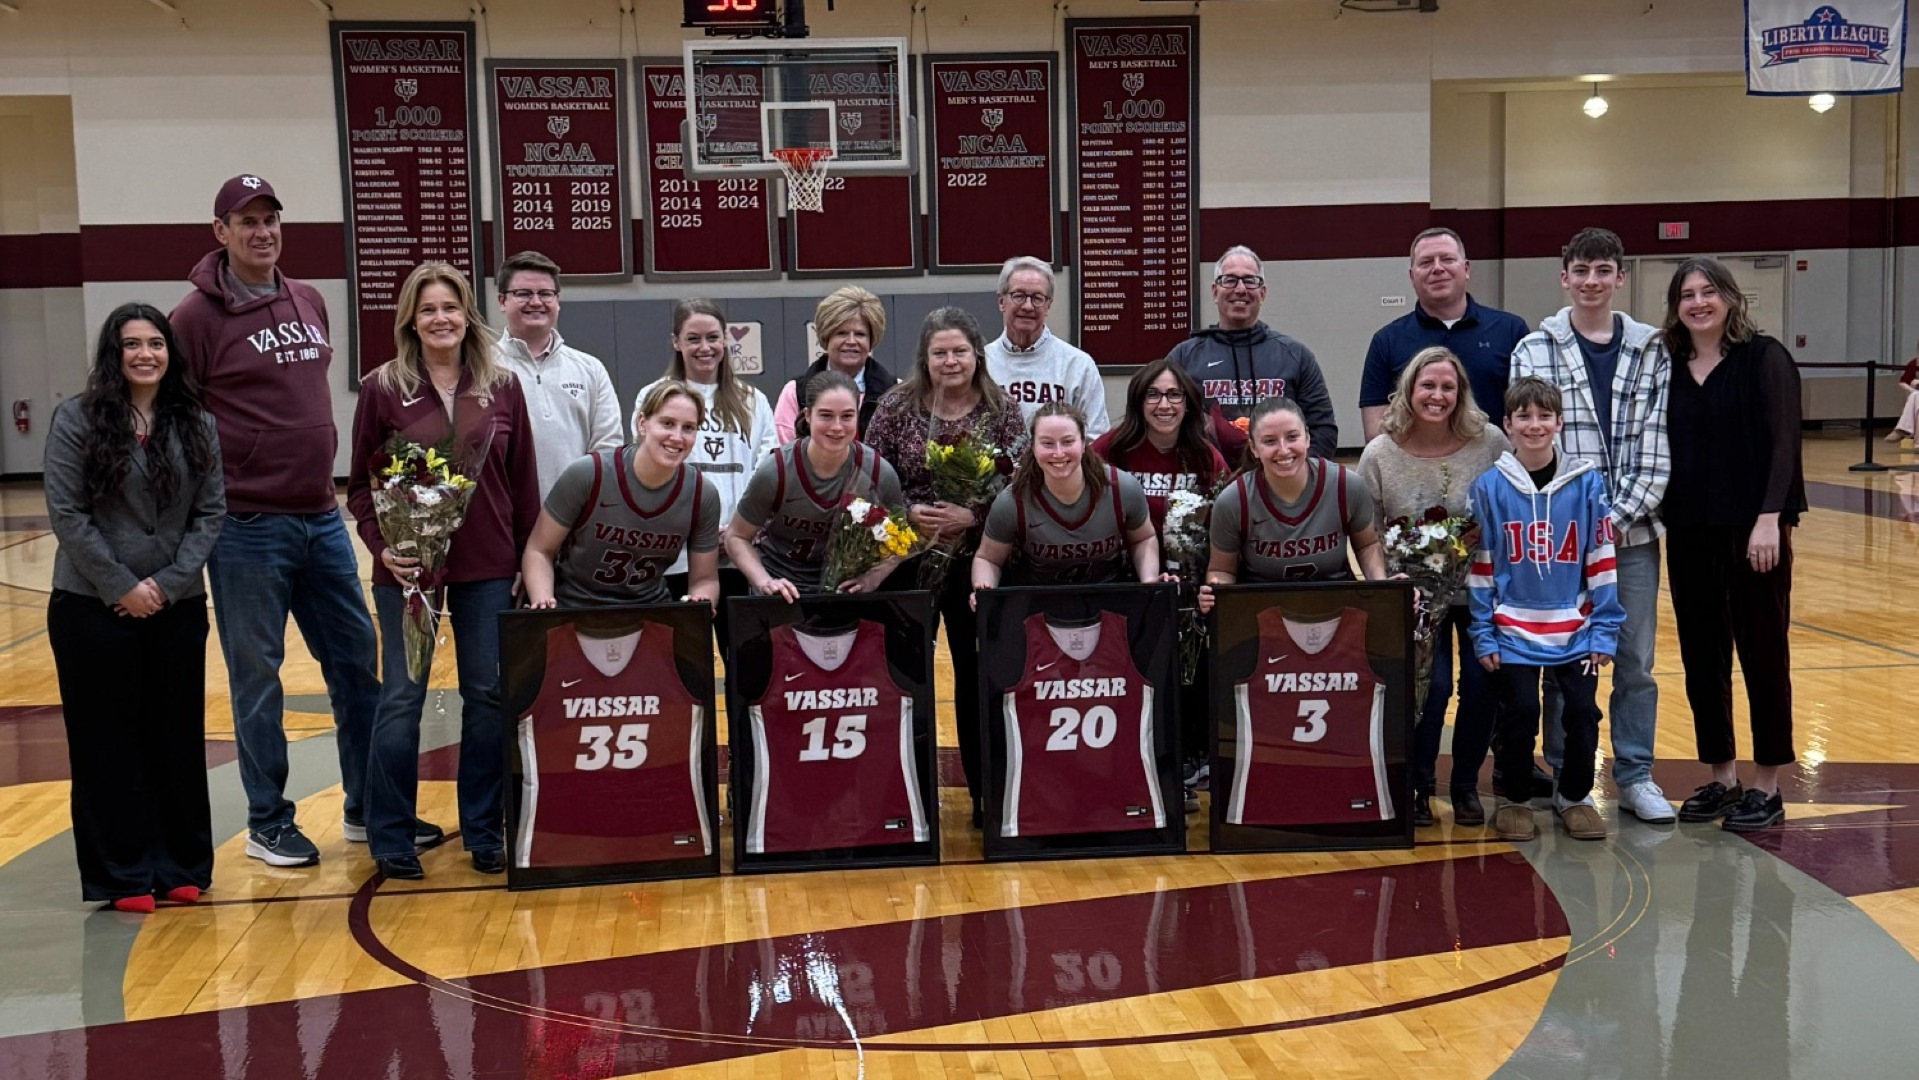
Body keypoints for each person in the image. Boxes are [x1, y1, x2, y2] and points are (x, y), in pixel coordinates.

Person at [169, 174, 385, 869]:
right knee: (257, 680)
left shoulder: (308, 298)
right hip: (245, 527)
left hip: (320, 517)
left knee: (355, 666)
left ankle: (365, 806)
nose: (263, 231)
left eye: (271, 219)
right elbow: (178, 419)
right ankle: (267, 821)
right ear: (221, 231)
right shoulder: (194, 320)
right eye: (248, 220)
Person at [346, 262, 539, 880]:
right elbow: (358, 488)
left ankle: (484, 829)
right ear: (411, 319)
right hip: (410, 571)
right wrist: (382, 548)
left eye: (450, 308)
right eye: (427, 309)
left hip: (488, 566)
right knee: (402, 698)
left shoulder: (502, 386)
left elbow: (525, 481)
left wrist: (528, 560)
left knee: (486, 694)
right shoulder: (382, 387)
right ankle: (392, 834)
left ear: (467, 315)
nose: (440, 319)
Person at [43, 303, 224, 912]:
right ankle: (121, 874)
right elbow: (68, 513)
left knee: (174, 737)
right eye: (132, 344)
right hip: (91, 604)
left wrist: (168, 585)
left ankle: (179, 864)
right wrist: (121, 585)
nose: (145, 354)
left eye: (156, 343)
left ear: (170, 352)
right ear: (112, 354)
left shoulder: (196, 422)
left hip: (175, 605)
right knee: (106, 741)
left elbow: (210, 513)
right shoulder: (76, 419)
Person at [1509, 226, 1674, 824]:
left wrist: (1609, 524)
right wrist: (1574, 526)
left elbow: (1657, 450)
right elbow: (1534, 440)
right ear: (1564, 277)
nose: (1591, 282)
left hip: (1629, 539)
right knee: (1563, 660)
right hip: (1558, 543)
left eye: (1603, 271)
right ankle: (1565, 773)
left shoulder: (1653, 349)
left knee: (1634, 662)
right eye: (1581, 271)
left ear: (1619, 278)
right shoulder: (1534, 347)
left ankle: (1634, 773)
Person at [1660, 258, 1806, 832]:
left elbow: (1784, 443)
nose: (1698, 302)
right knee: (1702, 653)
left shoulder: (1764, 358)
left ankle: (1767, 784)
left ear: (1729, 297)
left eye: (1707, 292)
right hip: (1690, 527)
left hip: (1754, 530)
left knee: (1763, 651)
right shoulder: (1669, 365)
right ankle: (1722, 776)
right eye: (1686, 294)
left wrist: (1771, 517)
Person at [865, 307, 1026, 823]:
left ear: (976, 354)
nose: (950, 361)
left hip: (976, 559)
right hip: (907, 558)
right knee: (904, 674)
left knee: (977, 673)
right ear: (924, 358)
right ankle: (905, 795)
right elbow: (868, 475)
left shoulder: (1002, 408)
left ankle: (986, 796)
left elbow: (1022, 483)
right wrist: (906, 514)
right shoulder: (894, 405)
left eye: (959, 351)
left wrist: (972, 513)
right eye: (940, 353)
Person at [1356, 347, 1510, 828]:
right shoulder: (1380, 452)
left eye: (1448, 387)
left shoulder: (1490, 443)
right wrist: (1386, 585)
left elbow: (1512, 508)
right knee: (1433, 686)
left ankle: (1465, 784)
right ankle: (1419, 784)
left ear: (1460, 393)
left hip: (1480, 591)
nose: (1437, 395)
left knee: (1484, 685)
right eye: (1428, 386)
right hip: (1415, 596)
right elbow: (1366, 529)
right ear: (1409, 390)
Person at [1469, 376, 1626, 843]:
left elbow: (1600, 558)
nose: (1534, 425)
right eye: (1523, 416)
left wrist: (1604, 629)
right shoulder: (1489, 488)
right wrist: (1483, 631)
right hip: (1512, 626)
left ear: (1559, 422)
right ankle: (1515, 798)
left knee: (1581, 713)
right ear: (1507, 425)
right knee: (1519, 712)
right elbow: (1482, 565)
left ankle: (1574, 796)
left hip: (1576, 627)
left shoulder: (1587, 485)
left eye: (1543, 416)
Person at [1089, 360, 1228, 811]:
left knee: (1192, 675)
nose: (1164, 404)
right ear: (1138, 401)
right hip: (1133, 583)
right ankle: (1150, 764)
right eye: (1154, 395)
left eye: (1173, 395)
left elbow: (1226, 515)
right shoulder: (1115, 447)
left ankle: (1192, 761)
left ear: (1188, 403)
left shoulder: (1204, 454)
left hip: (1191, 587)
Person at [634, 299, 776, 639]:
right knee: (679, 668)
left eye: (712, 337)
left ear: (726, 339)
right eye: (693, 338)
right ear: (676, 342)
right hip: (674, 558)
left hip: (736, 556)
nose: (704, 347)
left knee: (747, 669)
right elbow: (647, 476)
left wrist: (739, 530)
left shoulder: (753, 400)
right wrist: (693, 535)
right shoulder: (652, 397)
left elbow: (766, 473)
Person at [521, 380, 722, 610]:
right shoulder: (588, 473)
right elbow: (539, 550)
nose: (677, 437)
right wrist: (543, 602)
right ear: (642, 423)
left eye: (688, 427)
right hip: (575, 609)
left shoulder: (701, 494)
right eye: (667, 423)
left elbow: (705, 580)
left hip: (650, 612)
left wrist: (701, 601)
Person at [725, 371, 905, 600]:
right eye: (826, 416)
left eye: (847, 416)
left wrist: (872, 578)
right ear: (807, 416)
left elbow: (900, 539)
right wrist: (765, 582)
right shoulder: (777, 470)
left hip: (844, 596)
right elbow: (736, 537)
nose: (837, 427)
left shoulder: (879, 472)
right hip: (782, 592)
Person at [1200, 396, 1386, 600]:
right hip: (1259, 610)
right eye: (1270, 441)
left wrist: (1383, 588)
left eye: (1292, 437)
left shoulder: (1347, 485)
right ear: (1253, 448)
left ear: (1307, 438)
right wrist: (1216, 591)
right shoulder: (1233, 500)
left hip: (1337, 605)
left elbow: (1367, 545)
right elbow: (1222, 571)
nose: (1283, 449)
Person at [1169, 245, 1337, 461]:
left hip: (1280, 480)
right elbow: (1163, 425)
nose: (1240, 289)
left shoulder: (1295, 356)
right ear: (1214, 291)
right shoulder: (1184, 357)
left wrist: (1292, 475)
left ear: (1263, 292)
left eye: (1250, 280)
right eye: (1229, 280)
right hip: (1207, 482)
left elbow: (1323, 431)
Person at [1359, 228, 1528, 441]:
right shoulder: (1386, 341)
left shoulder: (1511, 331)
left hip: (1494, 467)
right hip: (1415, 470)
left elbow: (1529, 413)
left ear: (1466, 268)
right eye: (1426, 262)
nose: (1437, 268)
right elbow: (1376, 432)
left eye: (1447, 259)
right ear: (1412, 276)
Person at [972, 401, 1161, 591]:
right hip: (1037, 603)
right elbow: (988, 559)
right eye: (1047, 443)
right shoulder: (1013, 501)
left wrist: (1149, 581)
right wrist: (984, 588)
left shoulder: (1121, 488)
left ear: (1084, 444)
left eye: (1068, 441)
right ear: (1033, 447)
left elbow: (1143, 538)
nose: (1058, 453)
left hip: (1109, 598)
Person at [492, 250, 623, 499]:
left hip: (575, 520)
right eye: (523, 293)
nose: (536, 302)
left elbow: (607, 450)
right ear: (501, 301)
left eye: (545, 294)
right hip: (504, 521)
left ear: (557, 300)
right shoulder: (481, 367)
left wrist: (578, 510)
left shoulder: (590, 369)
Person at [984, 256, 1110, 436]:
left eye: (1037, 298)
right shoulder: (981, 363)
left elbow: (1095, 438)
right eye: (1018, 296)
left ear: (1048, 305)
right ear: (1001, 301)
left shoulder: (1077, 365)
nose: (1027, 306)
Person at [772, 285, 899, 442]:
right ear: (826, 338)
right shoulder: (796, 392)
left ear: (871, 340)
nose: (851, 341)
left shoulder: (897, 391)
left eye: (860, 334)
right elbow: (784, 456)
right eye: (842, 333)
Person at [1884, 346, 1919, 444]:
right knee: (1915, 395)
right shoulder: (1914, 363)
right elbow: (1903, 382)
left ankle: (1902, 429)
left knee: (1915, 396)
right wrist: (1911, 389)